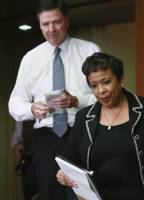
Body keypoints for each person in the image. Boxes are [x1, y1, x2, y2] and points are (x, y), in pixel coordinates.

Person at [56, 52, 144, 200]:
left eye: (106, 82)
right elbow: (68, 159)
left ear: (121, 78)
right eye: (94, 85)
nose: (100, 90)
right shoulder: (84, 117)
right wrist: (63, 174)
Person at [8, 0, 100, 199]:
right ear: (39, 24)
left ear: (66, 20)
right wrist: (32, 108)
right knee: (50, 194)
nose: (51, 29)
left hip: (83, 133)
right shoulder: (30, 59)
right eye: (45, 24)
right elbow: (14, 103)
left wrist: (78, 101)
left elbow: (107, 97)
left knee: (84, 194)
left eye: (56, 22)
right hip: (46, 138)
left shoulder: (90, 50)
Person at [11, 121, 38, 200]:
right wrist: (16, 145)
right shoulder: (22, 116)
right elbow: (15, 138)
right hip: (29, 166)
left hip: (51, 165)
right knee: (29, 194)